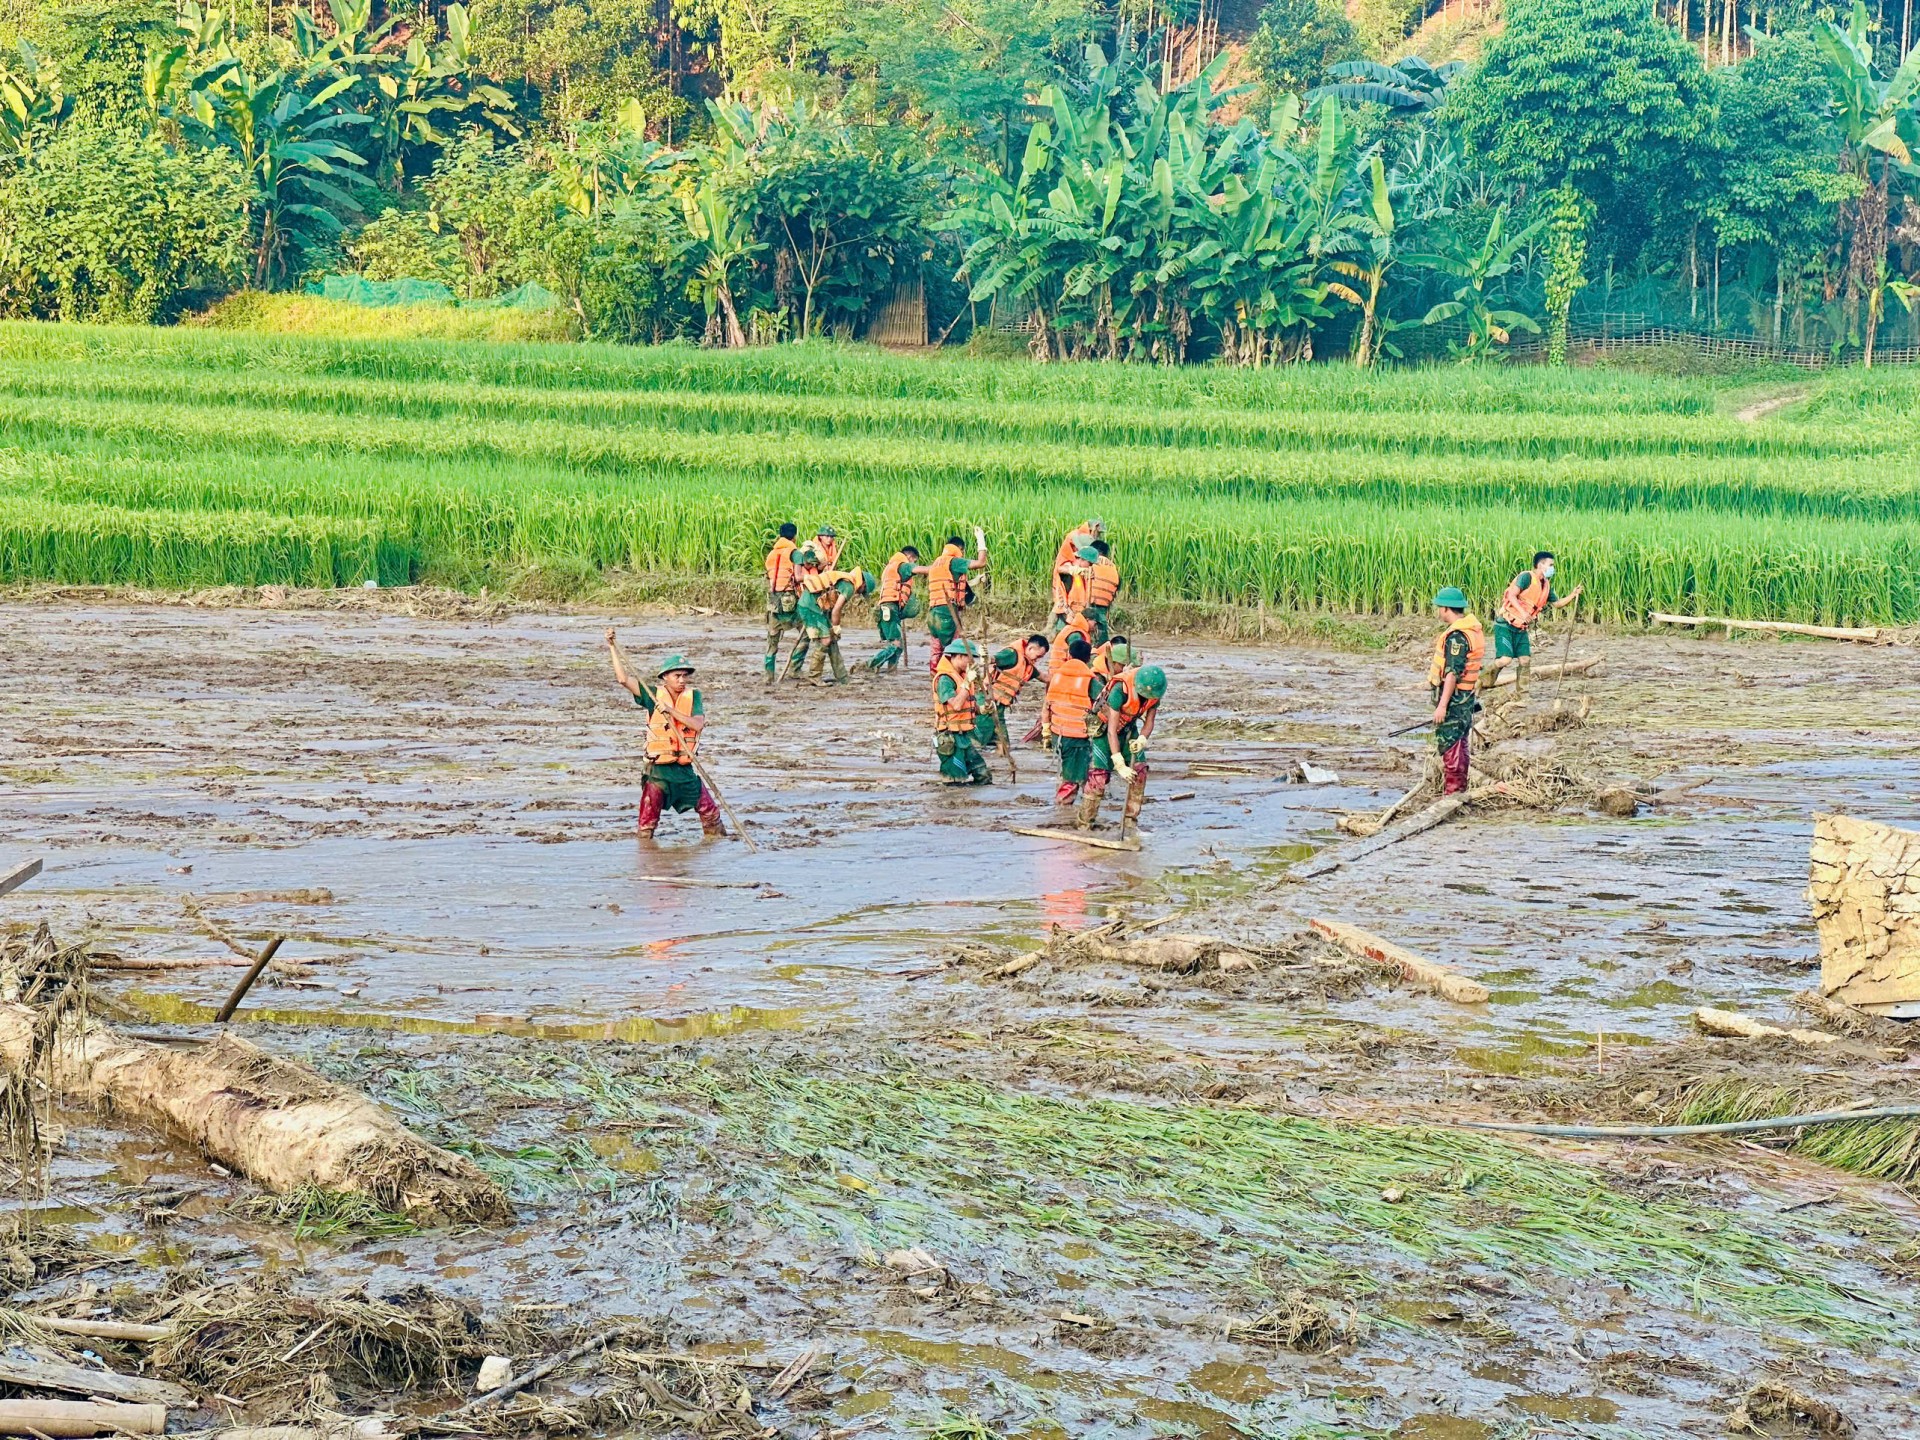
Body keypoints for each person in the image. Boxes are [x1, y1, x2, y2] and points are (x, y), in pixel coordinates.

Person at [606, 636, 724, 839]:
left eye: (685, 676)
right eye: (677, 676)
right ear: (665, 677)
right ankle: (647, 856)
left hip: (684, 769)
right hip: (658, 770)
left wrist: (670, 710)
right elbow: (623, 679)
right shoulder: (652, 695)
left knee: (710, 814)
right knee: (647, 822)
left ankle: (715, 844)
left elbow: (697, 724)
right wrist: (612, 648)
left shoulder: (693, 696)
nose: (682, 680)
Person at [1085, 663, 1164, 830]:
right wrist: (1119, 762)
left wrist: (1142, 739)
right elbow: (1112, 731)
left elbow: (1149, 721)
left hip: (1129, 730)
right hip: (1104, 730)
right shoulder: (1119, 690)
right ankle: (1086, 822)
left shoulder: (1156, 691)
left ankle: (1129, 822)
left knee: (1139, 771)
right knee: (1099, 777)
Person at [1494, 551, 1583, 697]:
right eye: (1551, 565)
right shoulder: (1526, 577)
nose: (1553, 568)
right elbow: (1511, 595)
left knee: (1525, 660)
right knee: (1505, 660)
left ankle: (1521, 696)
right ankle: (1482, 680)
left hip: (1521, 628)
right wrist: (1523, 612)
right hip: (1506, 623)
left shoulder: (1546, 586)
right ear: (1541, 565)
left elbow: (1558, 604)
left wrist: (1573, 595)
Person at [1429, 586, 1485, 796]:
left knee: (1451, 743)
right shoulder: (1472, 630)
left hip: (1456, 700)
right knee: (1460, 743)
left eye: (1438, 608)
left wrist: (1442, 706)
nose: (1438, 612)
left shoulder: (1457, 637)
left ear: (1445, 609)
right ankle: (1458, 790)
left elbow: (1452, 673)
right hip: (1466, 697)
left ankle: (1453, 793)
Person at [1043, 634, 1098, 817]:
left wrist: (1045, 731)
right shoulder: (1088, 679)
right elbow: (1104, 705)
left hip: (1057, 732)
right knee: (1073, 777)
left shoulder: (1057, 676)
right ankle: (1063, 812)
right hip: (1077, 736)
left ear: (1069, 655)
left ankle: (1063, 805)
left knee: (1066, 771)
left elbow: (1046, 706)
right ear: (1088, 659)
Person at [925, 528, 989, 672]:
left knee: (936, 649)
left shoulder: (938, 563)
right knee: (955, 648)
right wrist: (981, 539)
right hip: (947, 613)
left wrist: (974, 581)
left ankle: (935, 677)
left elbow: (952, 585)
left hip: (933, 613)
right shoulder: (954, 561)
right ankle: (952, 675)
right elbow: (981, 562)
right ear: (960, 549)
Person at [798, 566, 873, 686]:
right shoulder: (849, 586)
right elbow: (836, 610)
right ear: (862, 583)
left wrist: (834, 630)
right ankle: (814, 676)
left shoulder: (847, 580)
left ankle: (843, 677)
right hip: (811, 608)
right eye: (863, 590)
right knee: (826, 640)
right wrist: (836, 627)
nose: (861, 593)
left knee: (832, 640)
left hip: (816, 607)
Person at [933, 641, 992, 785]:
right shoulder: (945, 679)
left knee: (983, 775)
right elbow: (957, 705)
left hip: (963, 736)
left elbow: (968, 704)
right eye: (969, 659)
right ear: (959, 657)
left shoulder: (963, 675)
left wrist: (982, 709)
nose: (971, 663)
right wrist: (966, 683)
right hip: (950, 737)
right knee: (955, 782)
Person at [869, 546, 922, 672]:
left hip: (890, 608)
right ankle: (870, 665)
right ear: (910, 557)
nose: (913, 563)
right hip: (890, 608)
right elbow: (919, 569)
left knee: (897, 645)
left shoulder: (891, 567)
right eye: (914, 561)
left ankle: (891, 670)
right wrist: (937, 569)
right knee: (896, 644)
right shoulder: (903, 565)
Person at [763, 522, 803, 680]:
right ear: (794, 536)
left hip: (773, 601)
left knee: (772, 639)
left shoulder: (771, 554)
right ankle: (795, 668)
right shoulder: (795, 553)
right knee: (805, 633)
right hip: (789, 600)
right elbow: (799, 577)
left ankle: (768, 676)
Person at [1051, 519, 1103, 635]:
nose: (1090, 566)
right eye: (1089, 563)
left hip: (1079, 613)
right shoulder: (1070, 569)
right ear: (1082, 559)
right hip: (1068, 613)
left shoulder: (1084, 573)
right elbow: (1061, 569)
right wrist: (1068, 613)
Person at [1083, 540, 1121, 644]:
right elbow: (1118, 585)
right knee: (1101, 633)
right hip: (1104, 604)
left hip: (1089, 602)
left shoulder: (1092, 561)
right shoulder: (1113, 567)